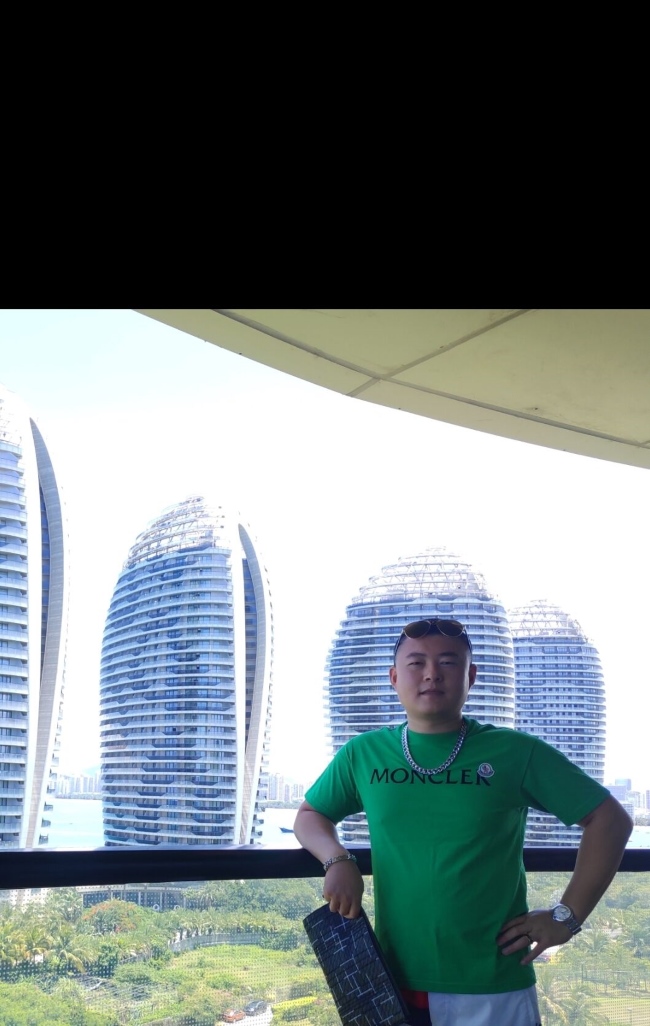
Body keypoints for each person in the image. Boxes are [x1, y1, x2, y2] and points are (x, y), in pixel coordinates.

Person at [294, 618, 633, 1026]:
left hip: (494, 984)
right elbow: (310, 815)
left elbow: (609, 820)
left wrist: (568, 916)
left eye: (448, 662)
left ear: (470, 676)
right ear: (394, 678)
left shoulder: (514, 752)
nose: (431, 674)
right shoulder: (363, 754)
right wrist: (337, 859)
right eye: (416, 663)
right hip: (392, 979)